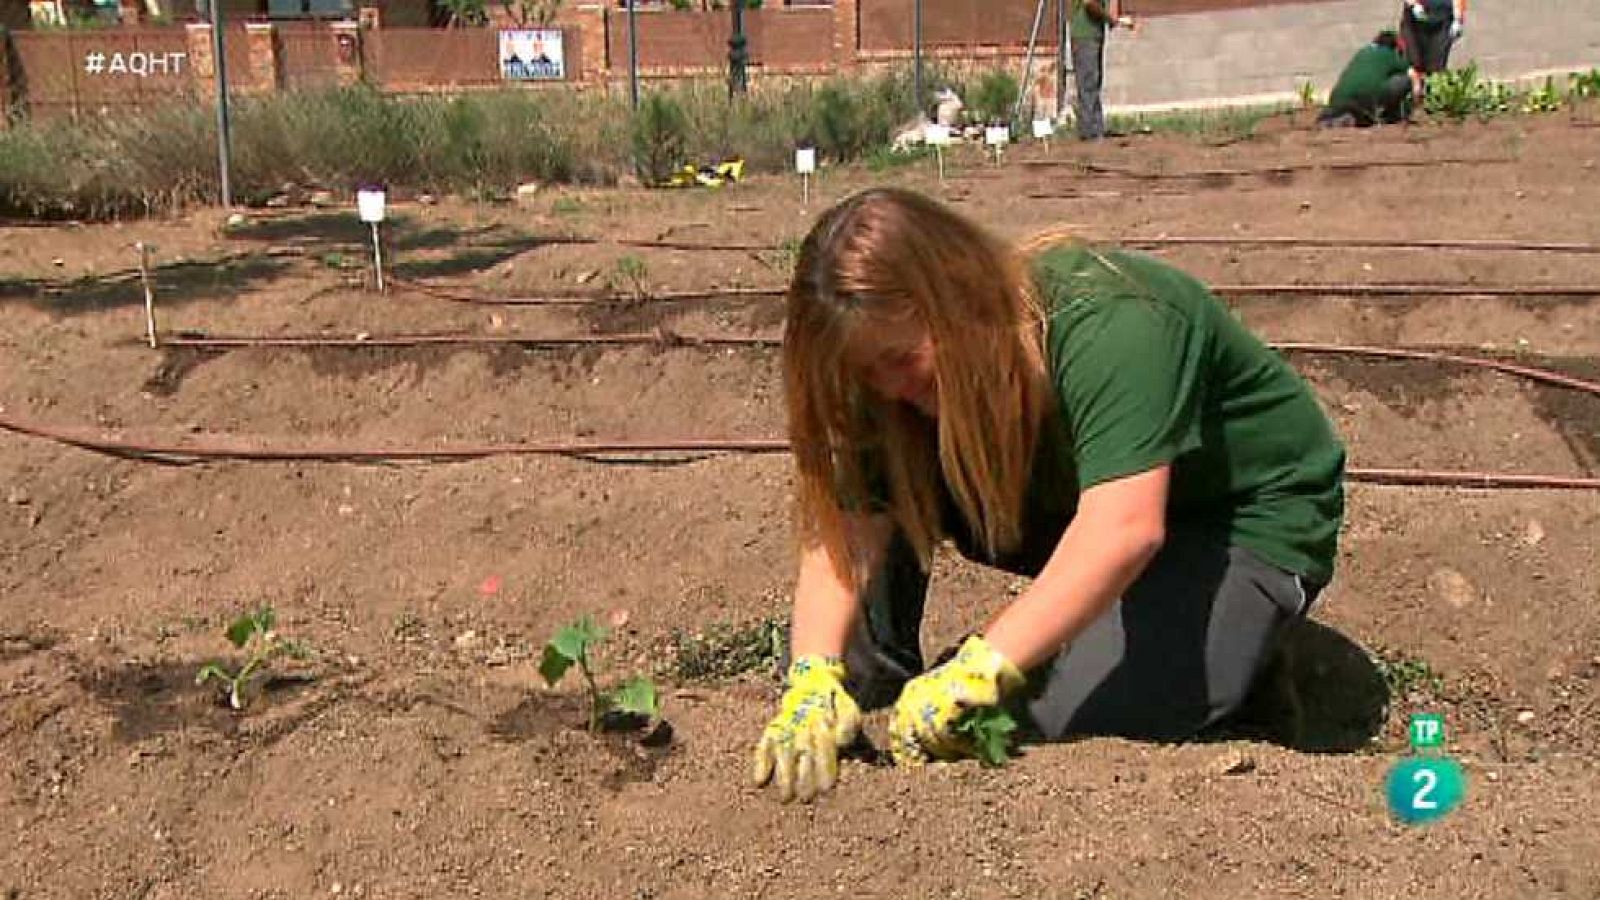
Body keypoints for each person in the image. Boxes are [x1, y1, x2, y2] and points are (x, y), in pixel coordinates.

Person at [749, 188, 1346, 803]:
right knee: (889, 475)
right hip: (1075, 502)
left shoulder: (1115, 321)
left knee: (1062, 727)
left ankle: (1241, 659)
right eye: (865, 372)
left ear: (959, 298)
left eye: (899, 360)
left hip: (1234, 517)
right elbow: (847, 530)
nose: (887, 387)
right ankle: (873, 700)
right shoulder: (893, 384)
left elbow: (1124, 528)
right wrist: (811, 676)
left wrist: (980, 671)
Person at [1318, 30, 1422, 127]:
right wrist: (1416, 100)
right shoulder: (1390, 55)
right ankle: (1384, 116)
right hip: (1366, 99)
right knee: (1404, 81)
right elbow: (1413, 75)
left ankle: (1339, 117)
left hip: (1337, 97)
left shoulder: (1362, 52)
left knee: (1347, 106)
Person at [1068, 0, 1136, 140]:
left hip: (1094, 35)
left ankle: (1096, 129)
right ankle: (1089, 132)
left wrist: (1114, 18)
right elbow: (1090, 4)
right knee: (1088, 83)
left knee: (1094, 82)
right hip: (1085, 36)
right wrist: (1111, 19)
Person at [1400, 0, 1466, 75]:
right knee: (1414, 61)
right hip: (1415, 17)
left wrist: (1458, 20)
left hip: (1442, 18)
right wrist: (1413, 5)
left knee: (1436, 63)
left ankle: (1433, 81)